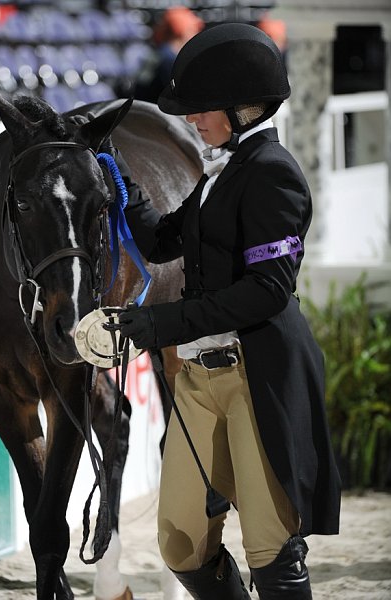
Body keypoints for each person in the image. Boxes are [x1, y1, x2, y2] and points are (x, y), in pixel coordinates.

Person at [114, 23, 341, 599]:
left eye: (202, 109)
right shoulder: (220, 171)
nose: (191, 120)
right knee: (181, 543)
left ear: (243, 108)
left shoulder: (273, 174)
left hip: (255, 373)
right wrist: (118, 180)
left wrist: (161, 324)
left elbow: (267, 290)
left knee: (269, 549)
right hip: (197, 377)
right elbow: (164, 240)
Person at [133, 6, 204, 104]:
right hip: (156, 114)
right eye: (193, 29)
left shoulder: (159, 53)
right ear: (182, 31)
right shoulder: (168, 60)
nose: (196, 33)